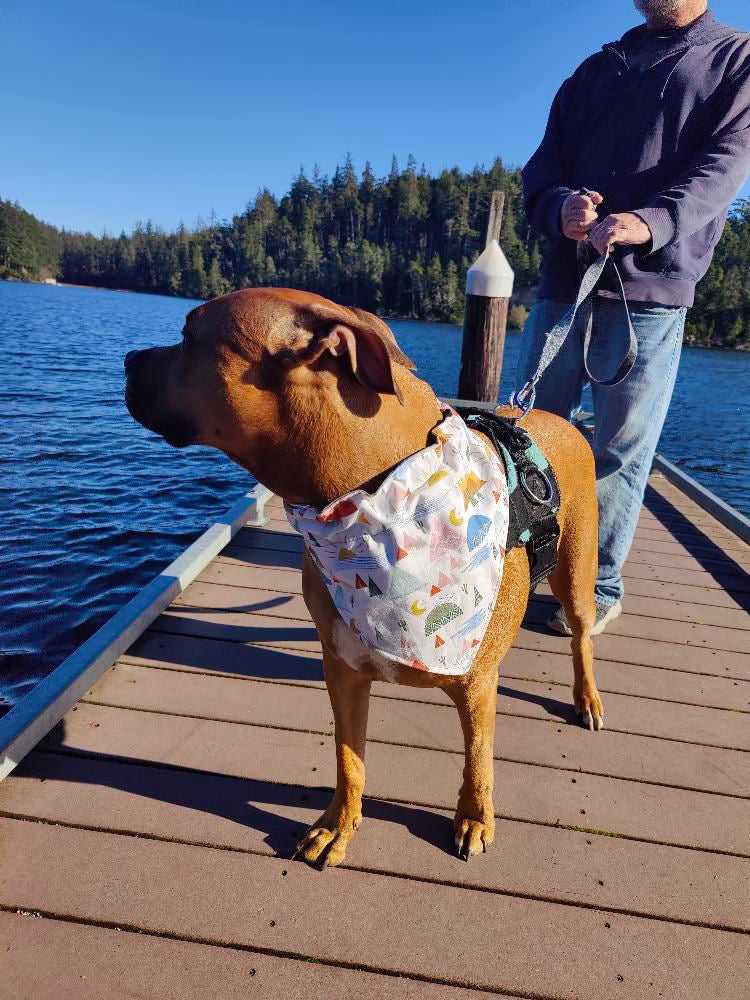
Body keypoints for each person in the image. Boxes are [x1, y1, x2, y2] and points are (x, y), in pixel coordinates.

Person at [517, 0, 750, 635]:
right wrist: (560, 205)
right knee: (532, 436)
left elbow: (722, 170)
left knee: (617, 450)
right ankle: (522, 568)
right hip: (564, 285)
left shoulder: (735, 59)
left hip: (650, 293)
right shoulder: (597, 66)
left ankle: (596, 584)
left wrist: (652, 222)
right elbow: (540, 169)